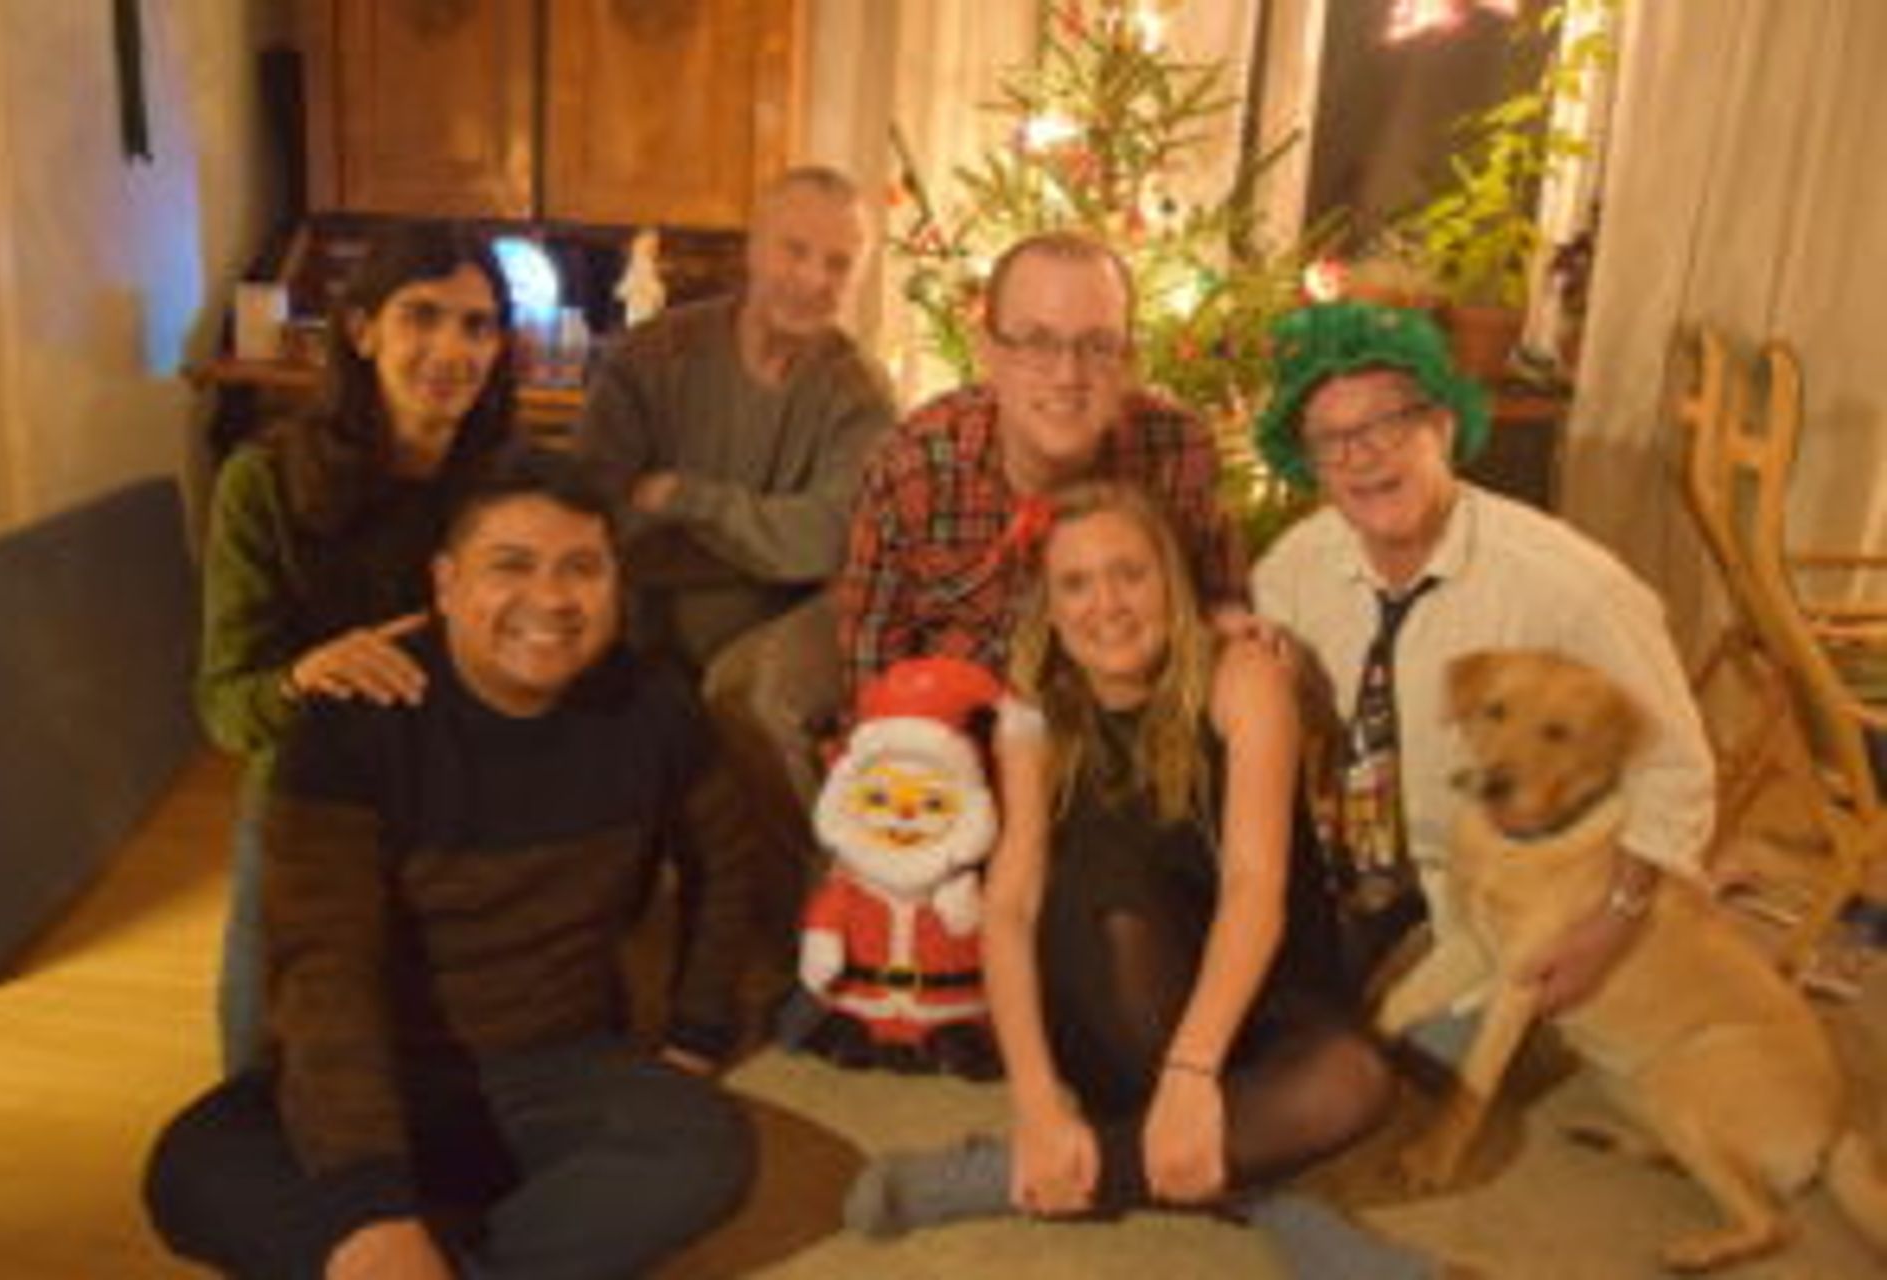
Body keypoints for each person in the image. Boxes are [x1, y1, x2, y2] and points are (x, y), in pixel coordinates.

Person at [144, 447, 755, 1280]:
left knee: (700, 1149)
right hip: (384, 1061)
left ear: (618, 584)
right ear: (445, 582)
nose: (549, 599)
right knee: (194, 1166)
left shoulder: (654, 709)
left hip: (556, 1065)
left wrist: (695, 1033)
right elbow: (322, 969)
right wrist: (369, 1202)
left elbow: (727, 864)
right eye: (511, 566)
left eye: (583, 569)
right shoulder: (354, 721)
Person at [845, 484, 1433, 1277]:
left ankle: (1007, 1177)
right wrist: (1036, 1096)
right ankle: (1268, 1191)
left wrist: (1193, 1076)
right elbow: (1010, 910)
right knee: (1114, 883)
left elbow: (1256, 889)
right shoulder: (1033, 715)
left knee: (1355, 1082)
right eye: (1076, 585)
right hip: (1111, 997)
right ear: (1049, 609)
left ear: (1173, 582)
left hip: (1256, 987)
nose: (1107, 606)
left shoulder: (1243, 676)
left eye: (1130, 574)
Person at [1250, 300, 1716, 1005]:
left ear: (1442, 425)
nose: (1361, 456)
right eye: (1331, 440)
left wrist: (1614, 924)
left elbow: (1676, 769)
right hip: (1340, 878)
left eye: (1385, 423)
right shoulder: (1292, 570)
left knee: (1386, 1073)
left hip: (1498, 905)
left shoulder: (1572, 587)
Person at [198, 221, 518, 1073]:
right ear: (362, 329)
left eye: (477, 325)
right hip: (316, 785)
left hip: (462, 784)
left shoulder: (513, 489)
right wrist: (306, 676)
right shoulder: (260, 483)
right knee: (268, 1044)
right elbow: (226, 708)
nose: (451, 349)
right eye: (423, 316)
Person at [576, 164, 894, 913]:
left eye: (838, 263)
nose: (814, 278)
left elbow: (823, 539)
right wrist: (757, 534)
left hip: (791, 617)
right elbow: (596, 513)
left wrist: (686, 499)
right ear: (753, 248)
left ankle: (809, 926)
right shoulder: (648, 359)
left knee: (746, 691)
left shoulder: (860, 395)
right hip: (644, 610)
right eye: (795, 251)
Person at [836, 230, 1249, 712]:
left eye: (1098, 346)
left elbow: (1221, 612)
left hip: (1133, 745)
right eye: (1037, 342)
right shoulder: (913, 467)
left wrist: (1234, 634)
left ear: (1129, 361)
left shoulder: (1180, 451)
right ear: (987, 353)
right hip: (963, 755)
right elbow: (870, 671)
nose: (1067, 375)